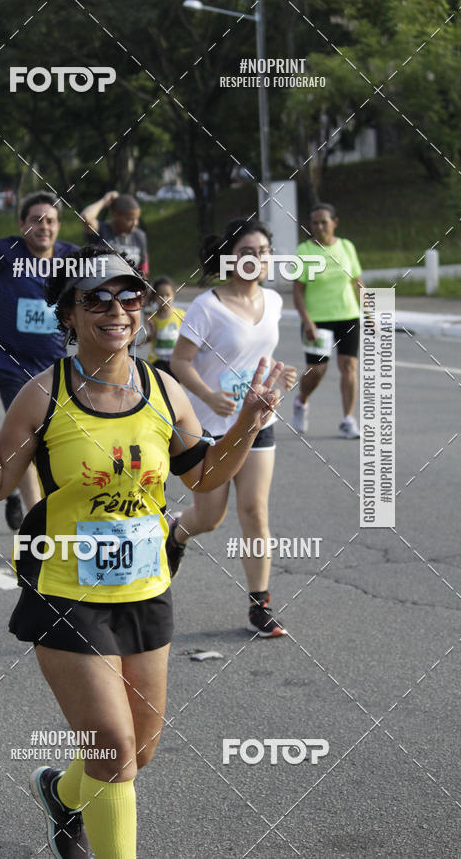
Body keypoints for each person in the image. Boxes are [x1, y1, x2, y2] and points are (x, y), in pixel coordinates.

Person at [0, 246, 283, 858]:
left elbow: (203, 476)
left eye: (129, 296)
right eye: (97, 299)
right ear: (69, 314)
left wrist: (248, 422)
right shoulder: (44, 393)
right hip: (66, 591)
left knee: (136, 751)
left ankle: (61, 793)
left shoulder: (164, 390)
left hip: (145, 588)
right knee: (113, 752)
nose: (117, 310)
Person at [169, 219, 296, 638]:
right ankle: (176, 533)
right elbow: (180, 361)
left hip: (257, 421)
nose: (257, 259)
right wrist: (208, 396)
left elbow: (260, 357)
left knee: (254, 511)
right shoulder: (207, 307)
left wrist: (281, 377)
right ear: (229, 259)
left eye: (264, 252)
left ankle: (260, 605)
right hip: (211, 427)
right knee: (209, 518)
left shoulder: (273, 301)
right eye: (247, 253)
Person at [0, 170, 79, 531]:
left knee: (58, 437)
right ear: (22, 224)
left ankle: (17, 488)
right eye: (36, 220)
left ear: (58, 226)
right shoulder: (7, 252)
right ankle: (40, 522)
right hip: (12, 361)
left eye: (50, 221)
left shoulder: (72, 258)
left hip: (57, 363)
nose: (43, 227)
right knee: (29, 436)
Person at [291, 202, 364, 438]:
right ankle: (301, 401)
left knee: (349, 367)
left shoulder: (347, 246)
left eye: (324, 222)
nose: (320, 227)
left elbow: (357, 282)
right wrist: (307, 321)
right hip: (317, 319)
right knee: (317, 369)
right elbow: (297, 291)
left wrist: (371, 313)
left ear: (335, 222)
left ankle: (348, 420)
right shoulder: (304, 250)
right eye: (315, 223)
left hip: (348, 315)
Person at [82, 190, 149, 276]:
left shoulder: (139, 236)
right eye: (130, 219)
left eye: (136, 219)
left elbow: (143, 270)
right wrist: (104, 201)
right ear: (115, 215)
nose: (135, 223)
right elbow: (86, 217)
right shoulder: (101, 230)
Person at [145, 276, 183, 377]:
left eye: (168, 295)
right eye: (160, 296)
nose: (164, 299)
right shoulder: (151, 317)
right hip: (157, 363)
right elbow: (145, 340)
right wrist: (152, 331)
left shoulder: (181, 315)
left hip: (174, 362)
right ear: (154, 297)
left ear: (173, 295)